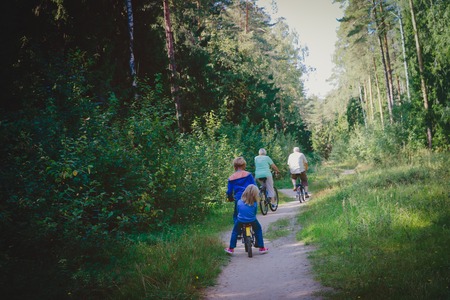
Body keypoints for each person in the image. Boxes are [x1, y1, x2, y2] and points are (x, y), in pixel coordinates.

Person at [224, 184, 269, 255]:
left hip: (240, 220)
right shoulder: (254, 203)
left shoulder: (239, 202)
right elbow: (254, 213)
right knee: (258, 230)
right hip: (252, 220)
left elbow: (238, 212)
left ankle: (231, 248)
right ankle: (262, 248)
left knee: (235, 232)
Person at [226, 157, 256, 223]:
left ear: (234, 166)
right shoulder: (248, 175)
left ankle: (237, 231)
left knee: (236, 215)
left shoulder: (231, 178)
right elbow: (254, 186)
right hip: (249, 197)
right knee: (252, 214)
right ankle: (255, 230)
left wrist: (230, 198)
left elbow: (229, 191)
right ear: (244, 165)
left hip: (239, 198)